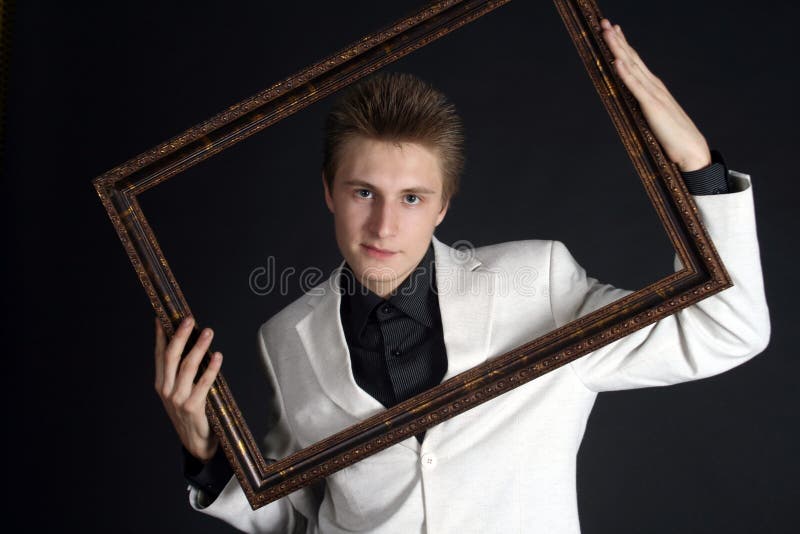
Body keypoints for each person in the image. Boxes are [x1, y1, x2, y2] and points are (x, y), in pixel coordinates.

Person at [153, 19, 769, 533]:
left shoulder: (540, 283)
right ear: (329, 193)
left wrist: (697, 170)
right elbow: (298, 514)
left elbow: (726, 329)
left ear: (444, 205)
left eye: (413, 198)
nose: (384, 225)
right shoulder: (285, 337)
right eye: (364, 192)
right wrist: (207, 456)